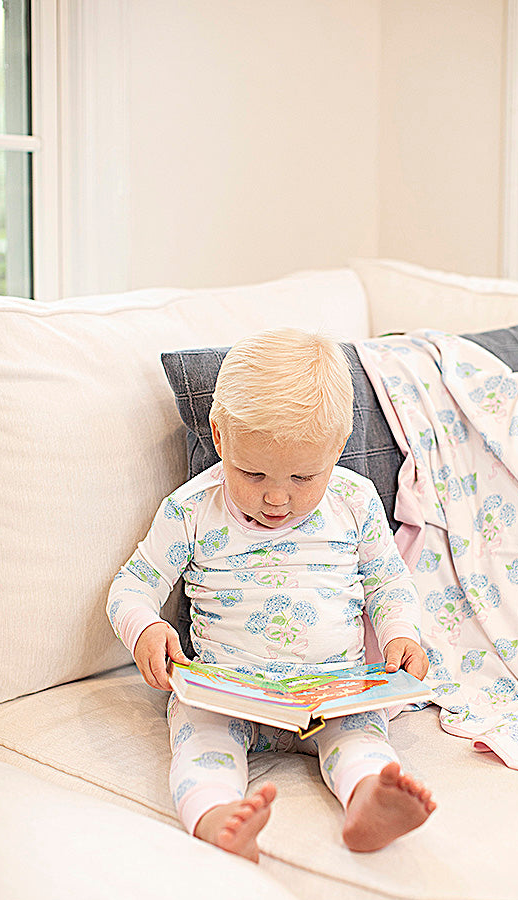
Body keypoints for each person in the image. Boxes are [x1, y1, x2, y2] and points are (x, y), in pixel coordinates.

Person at [107, 328, 435, 862]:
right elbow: (130, 587)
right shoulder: (191, 510)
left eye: (304, 476)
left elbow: (388, 581)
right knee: (199, 742)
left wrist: (401, 633)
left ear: (338, 447)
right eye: (253, 473)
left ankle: (368, 800)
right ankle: (217, 818)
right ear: (219, 437)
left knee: (360, 740)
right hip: (228, 694)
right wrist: (145, 626)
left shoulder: (354, 500)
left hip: (333, 692)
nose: (277, 498)